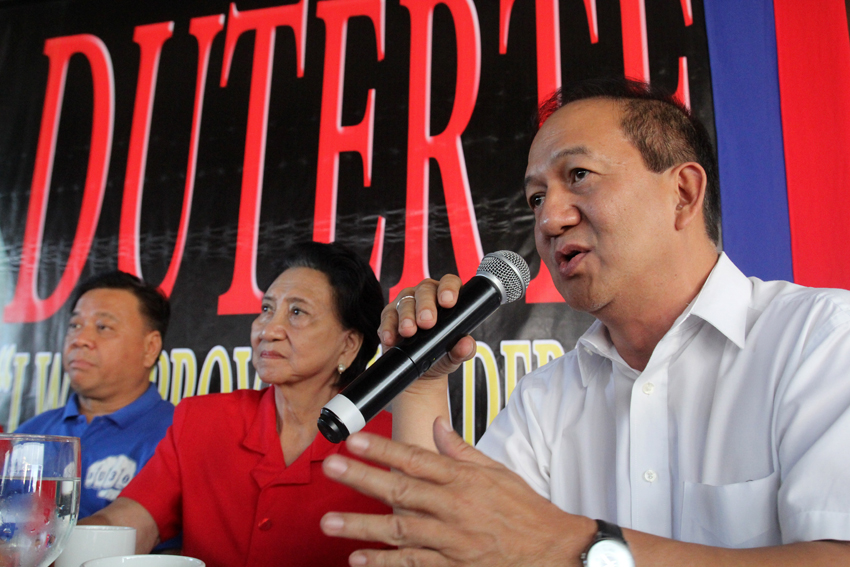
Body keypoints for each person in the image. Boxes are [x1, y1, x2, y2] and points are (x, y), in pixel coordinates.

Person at [317, 78, 850, 566]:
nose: (549, 219)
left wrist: (572, 546)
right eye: (537, 198)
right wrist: (423, 377)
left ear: (683, 193)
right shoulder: (547, 398)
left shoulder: (821, 338)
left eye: (579, 176)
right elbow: (444, 553)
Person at [84, 241, 393, 566]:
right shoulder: (202, 420)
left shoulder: (390, 447)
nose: (269, 329)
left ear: (349, 345)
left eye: (297, 312)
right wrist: (55, 539)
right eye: (267, 309)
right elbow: (129, 522)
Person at [16, 271, 174, 519]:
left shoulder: (176, 437)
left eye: (103, 327)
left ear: (150, 347)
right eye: (75, 325)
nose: (80, 339)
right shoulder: (29, 434)